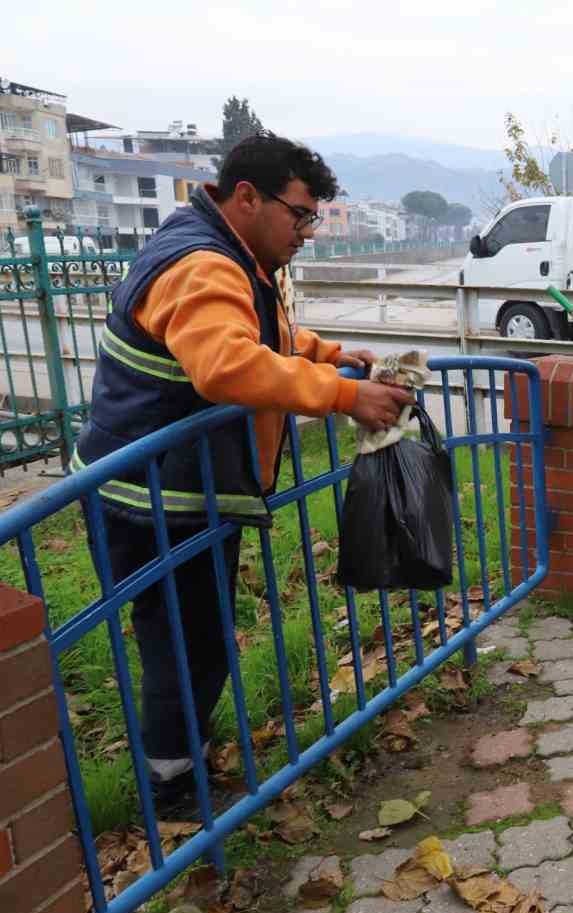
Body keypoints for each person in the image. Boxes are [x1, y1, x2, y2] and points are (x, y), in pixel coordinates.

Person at [73, 132, 413, 810]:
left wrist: (330, 355)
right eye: (301, 214)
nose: (308, 232)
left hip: (170, 486)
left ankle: (183, 766)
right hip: (152, 497)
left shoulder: (224, 252)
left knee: (195, 637)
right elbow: (227, 364)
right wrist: (347, 393)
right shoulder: (205, 265)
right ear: (248, 197)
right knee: (186, 643)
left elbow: (261, 337)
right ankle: (173, 796)